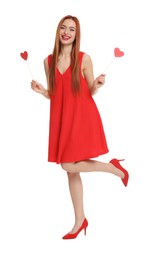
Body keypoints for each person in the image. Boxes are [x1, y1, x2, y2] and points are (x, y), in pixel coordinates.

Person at [31, 15, 129, 239]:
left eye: (71, 29)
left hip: (83, 116)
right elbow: (54, 93)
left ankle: (114, 169)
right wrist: (42, 91)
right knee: (71, 171)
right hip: (63, 117)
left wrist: (98, 85)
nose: (66, 32)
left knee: (68, 164)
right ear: (58, 32)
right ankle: (79, 220)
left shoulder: (85, 59)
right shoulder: (48, 61)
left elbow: (91, 89)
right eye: (63, 28)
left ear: (77, 34)